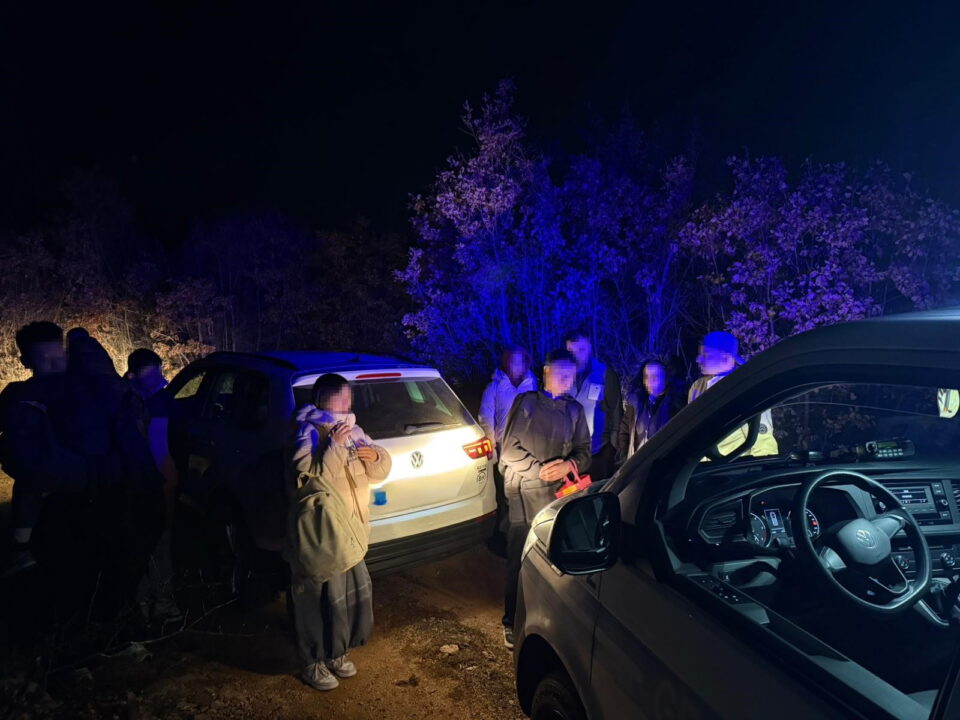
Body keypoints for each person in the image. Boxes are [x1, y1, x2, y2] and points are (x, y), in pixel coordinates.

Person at [288, 373, 391, 692]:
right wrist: (333, 446)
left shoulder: (355, 430)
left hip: (353, 529)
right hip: (323, 532)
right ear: (323, 399)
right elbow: (306, 480)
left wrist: (376, 457)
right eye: (340, 397)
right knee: (315, 597)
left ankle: (337, 652)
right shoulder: (308, 431)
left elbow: (379, 472)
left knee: (344, 597)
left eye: (349, 397)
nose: (347, 402)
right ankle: (312, 661)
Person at [499, 349, 591, 649]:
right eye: (561, 374)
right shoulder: (527, 403)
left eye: (571, 376)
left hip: (558, 497)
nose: (567, 381)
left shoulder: (574, 410)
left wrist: (569, 465)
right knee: (521, 556)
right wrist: (538, 470)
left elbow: (584, 451)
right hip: (524, 493)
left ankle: (548, 619)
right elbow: (509, 451)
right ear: (546, 372)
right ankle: (511, 620)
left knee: (553, 558)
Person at [0, 321, 74, 576]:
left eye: (59, 356)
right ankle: (21, 549)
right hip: (41, 479)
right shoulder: (18, 394)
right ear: (26, 362)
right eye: (45, 359)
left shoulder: (83, 389)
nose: (55, 364)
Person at [125, 348, 181, 625]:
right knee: (159, 543)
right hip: (151, 484)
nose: (158, 378)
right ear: (133, 375)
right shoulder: (158, 404)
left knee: (137, 545)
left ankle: (141, 604)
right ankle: (162, 605)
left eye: (158, 372)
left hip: (130, 483)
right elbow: (160, 451)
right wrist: (169, 483)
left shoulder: (124, 398)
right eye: (152, 374)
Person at [478, 345, 537, 541]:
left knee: (526, 489)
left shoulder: (532, 384)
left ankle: (525, 531)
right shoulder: (494, 387)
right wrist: (491, 445)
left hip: (528, 446)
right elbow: (486, 417)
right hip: (504, 447)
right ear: (506, 363)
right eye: (512, 361)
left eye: (520, 362)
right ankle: (506, 533)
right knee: (507, 491)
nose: (516, 366)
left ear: (525, 363)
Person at [688, 330, 778, 458]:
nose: (698, 359)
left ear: (726, 357)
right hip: (701, 467)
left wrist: (762, 466)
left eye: (706, 355)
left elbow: (762, 440)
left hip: (731, 466)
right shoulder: (697, 387)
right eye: (699, 354)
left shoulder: (747, 385)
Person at [564, 330, 621, 481]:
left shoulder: (604, 374)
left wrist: (613, 445)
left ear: (589, 347)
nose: (576, 356)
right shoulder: (563, 375)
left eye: (581, 350)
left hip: (599, 450)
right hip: (570, 454)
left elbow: (616, 410)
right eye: (570, 351)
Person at [617, 359, 683, 465]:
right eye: (646, 377)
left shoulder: (675, 406)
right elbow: (624, 432)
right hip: (635, 465)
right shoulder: (636, 403)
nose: (649, 381)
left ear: (665, 378)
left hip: (661, 465)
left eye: (654, 377)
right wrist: (625, 457)